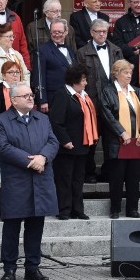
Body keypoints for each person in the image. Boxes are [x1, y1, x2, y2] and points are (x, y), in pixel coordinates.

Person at [0, 82, 59, 280]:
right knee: (12, 226)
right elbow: (3, 147)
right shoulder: (1, 121)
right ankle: (9, 268)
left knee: (35, 225)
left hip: (40, 179)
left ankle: (32, 267)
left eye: (31, 94)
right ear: (13, 100)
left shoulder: (42, 118)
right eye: (25, 96)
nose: (31, 98)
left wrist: (44, 158)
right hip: (17, 180)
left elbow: (53, 142)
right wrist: (31, 161)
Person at [77, 18, 123, 183]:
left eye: (104, 31)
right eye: (98, 31)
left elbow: (123, 74)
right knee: (91, 139)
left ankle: (109, 172)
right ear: (91, 33)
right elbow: (80, 77)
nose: (102, 34)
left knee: (112, 139)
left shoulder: (116, 50)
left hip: (113, 101)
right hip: (92, 101)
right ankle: (89, 173)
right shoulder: (82, 52)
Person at [49, 64, 97, 221]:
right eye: (83, 80)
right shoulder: (62, 94)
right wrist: (65, 140)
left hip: (82, 145)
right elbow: (56, 121)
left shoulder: (83, 96)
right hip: (67, 147)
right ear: (74, 80)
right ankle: (64, 209)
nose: (85, 83)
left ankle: (78, 209)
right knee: (65, 179)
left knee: (78, 179)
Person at [99, 60, 140, 219]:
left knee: (133, 178)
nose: (129, 76)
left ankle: (132, 208)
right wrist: (122, 132)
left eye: (130, 73)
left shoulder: (136, 92)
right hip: (117, 142)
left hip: (136, 141)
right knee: (117, 177)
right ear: (116, 73)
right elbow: (107, 115)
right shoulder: (108, 91)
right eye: (125, 72)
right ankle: (115, 209)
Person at [0, 22, 30, 110]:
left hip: (19, 101)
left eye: (13, 36)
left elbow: (25, 74)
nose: (12, 39)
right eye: (9, 37)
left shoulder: (17, 55)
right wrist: (13, 92)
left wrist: (23, 91)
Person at [32, 18, 77, 112]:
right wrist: (42, 100)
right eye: (54, 32)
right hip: (52, 98)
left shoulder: (70, 50)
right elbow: (39, 76)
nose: (57, 35)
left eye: (59, 32)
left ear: (66, 32)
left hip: (71, 96)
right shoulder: (42, 50)